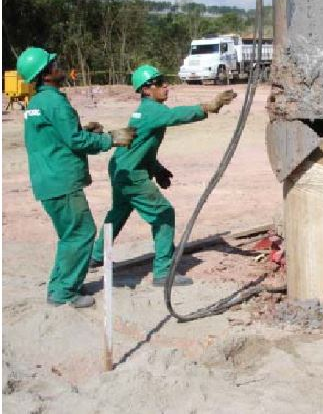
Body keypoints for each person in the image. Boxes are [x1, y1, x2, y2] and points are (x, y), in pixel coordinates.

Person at [90, 65, 236, 287]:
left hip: (122, 167)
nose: (165, 86)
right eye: (159, 83)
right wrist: (209, 106)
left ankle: (96, 256)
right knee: (164, 214)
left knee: (119, 212)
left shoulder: (147, 110)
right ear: (146, 90)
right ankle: (163, 272)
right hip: (132, 173)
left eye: (164, 81)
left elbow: (142, 147)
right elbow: (176, 116)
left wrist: (157, 170)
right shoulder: (152, 111)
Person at [17, 47, 136, 308]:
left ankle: (60, 286)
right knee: (82, 232)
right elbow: (74, 140)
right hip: (61, 181)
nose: (59, 65)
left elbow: (56, 136)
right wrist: (110, 139)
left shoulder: (36, 103)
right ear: (45, 75)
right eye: (54, 64)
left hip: (47, 179)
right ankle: (65, 292)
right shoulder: (55, 102)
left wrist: (84, 130)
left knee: (69, 235)